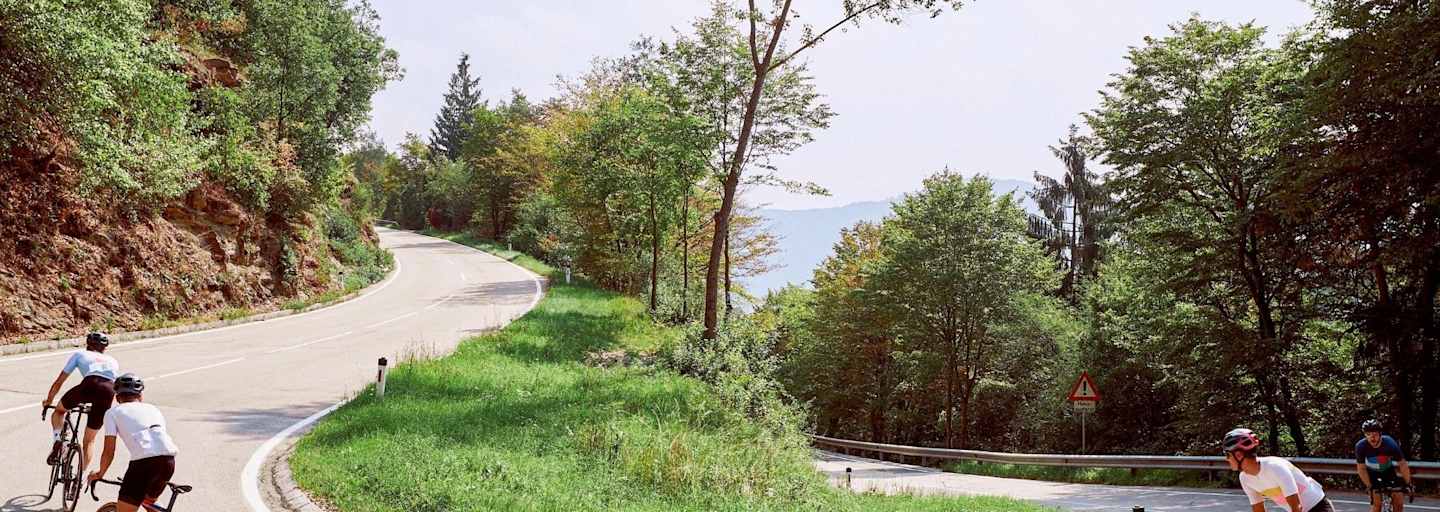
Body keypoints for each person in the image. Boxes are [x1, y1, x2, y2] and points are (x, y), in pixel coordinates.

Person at [87, 374, 179, 512]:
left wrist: (100, 473)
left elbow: (109, 451)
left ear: (117, 398)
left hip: (143, 463)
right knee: (148, 502)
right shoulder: (154, 409)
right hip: (168, 461)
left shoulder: (113, 412)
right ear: (140, 396)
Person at [41, 332, 119, 465]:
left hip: (89, 384)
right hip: (108, 391)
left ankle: (58, 440)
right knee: (89, 441)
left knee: (59, 411)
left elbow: (59, 382)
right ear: (104, 348)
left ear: (88, 345)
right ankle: (80, 480)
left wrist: (49, 401)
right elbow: (117, 390)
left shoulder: (80, 354)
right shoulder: (112, 361)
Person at [1223, 427, 1336, 512]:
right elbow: (1259, 510)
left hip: (1319, 506)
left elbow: (1296, 508)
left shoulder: (1275, 467)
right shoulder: (1245, 478)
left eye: (1227, 455)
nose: (1226, 459)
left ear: (1238, 455)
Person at [1356, 419, 1414, 512]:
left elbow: (1402, 464)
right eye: (1368, 434)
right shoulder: (1360, 446)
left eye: (1374, 434)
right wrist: (1369, 486)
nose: (1372, 438)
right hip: (1372, 474)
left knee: (1399, 502)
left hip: (1388, 471)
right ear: (1365, 435)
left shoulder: (1389, 443)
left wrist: (1408, 484)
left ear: (1380, 434)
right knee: (1377, 505)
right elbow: (1361, 469)